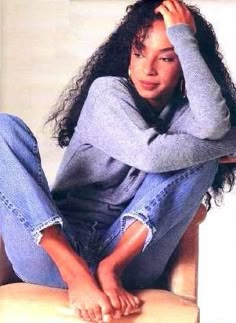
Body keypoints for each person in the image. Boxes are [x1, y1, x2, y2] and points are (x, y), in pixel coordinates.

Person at [1, 0, 236, 322]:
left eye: (166, 58)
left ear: (187, 65)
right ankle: (76, 273)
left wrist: (184, 37)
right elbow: (151, 155)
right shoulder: (108, 92)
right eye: (139, 52)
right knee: (2, 127)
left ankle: (110, 269)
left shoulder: (187, 116)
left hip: (131, 259)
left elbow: (212, 125)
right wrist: (227, 143)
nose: (147, 69)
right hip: (54, 252)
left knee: (200, 162)